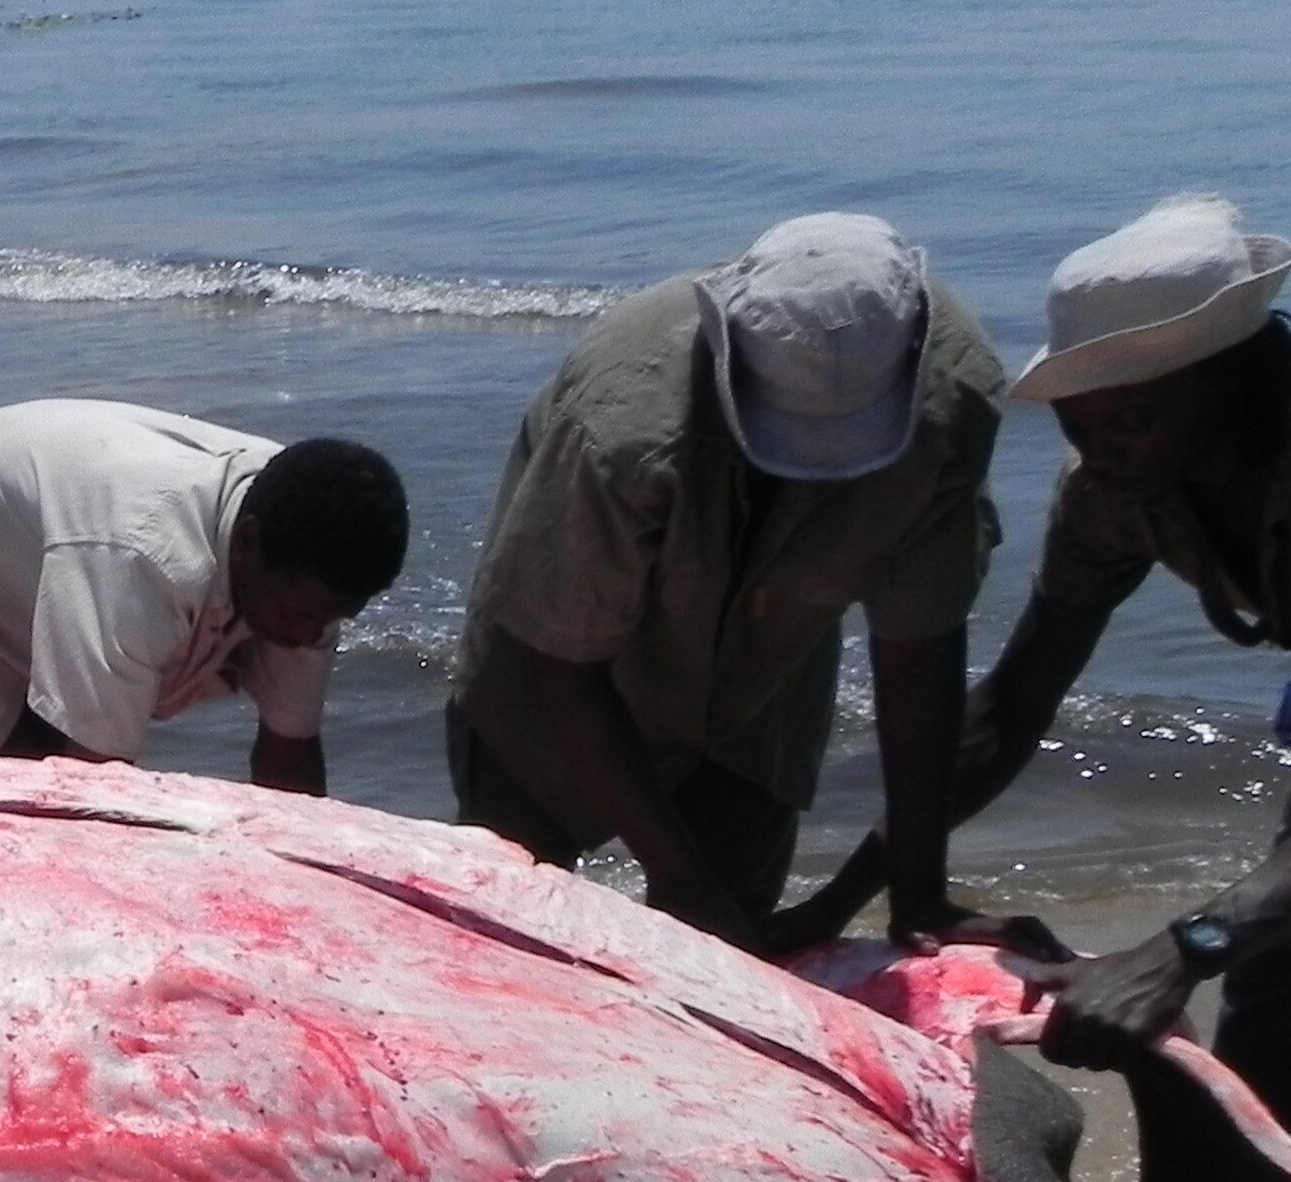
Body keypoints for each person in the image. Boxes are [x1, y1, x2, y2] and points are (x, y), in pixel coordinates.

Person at [448, 211, 1014, 951]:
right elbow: (557, 662)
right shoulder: (624, 428)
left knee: (731, 948)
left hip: (764, 678)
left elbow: (919, 651)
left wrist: (919, 892)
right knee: (512, 931)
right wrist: (678, 878)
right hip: (558, 669)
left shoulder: (951, 404)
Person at [934, 202, 1291, 1093]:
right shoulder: (1113, 489)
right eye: (1076, 427)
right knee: (1267, 1026)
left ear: (1236, 384)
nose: (1099, 455)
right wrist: (895, 882)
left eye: (1129, 423)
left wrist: (1183, 947)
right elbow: (1017, 698)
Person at [0, 401, 408, 792]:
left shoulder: (313, 548)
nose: (310, 635)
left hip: (54, 544)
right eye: (304, 615)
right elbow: (89, 782)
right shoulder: (141, 554)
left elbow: (291, 762)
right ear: (251, 544)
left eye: (331, 621)